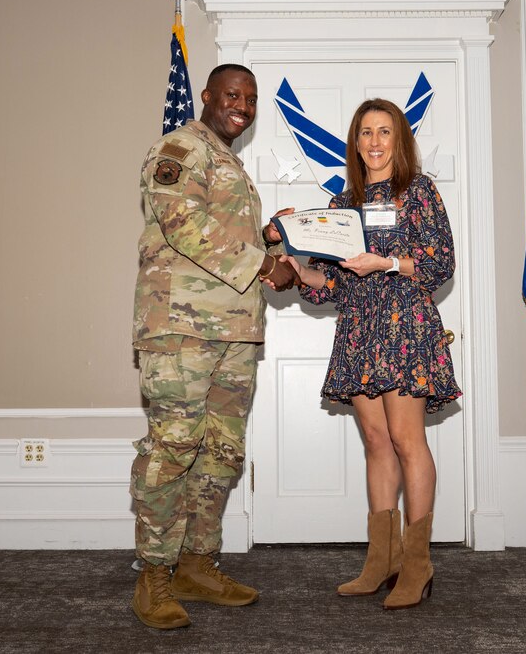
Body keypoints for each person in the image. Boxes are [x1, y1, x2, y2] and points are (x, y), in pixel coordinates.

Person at [130, 63, 297, 629]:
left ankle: (197, 566)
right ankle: (153, 577)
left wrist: (272, 234)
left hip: (233, 333)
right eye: (232, 95)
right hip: (181, 331)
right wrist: (266, 262)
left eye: (250, 99)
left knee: (221, 454)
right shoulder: (180, 147)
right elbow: (184, 226)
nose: (242, 106)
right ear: (206, 96)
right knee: (173, 449)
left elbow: (223, 231)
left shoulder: (229, 164)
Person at [279, 98, 461, 610]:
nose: (375, 142)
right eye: (365, 133)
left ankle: (418, 564)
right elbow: (330, 282)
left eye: (385, 132)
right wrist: (295, 267)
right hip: (359, 328)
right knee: (377, 443)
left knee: (407, 440)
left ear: (398, 141)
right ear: (354, 142)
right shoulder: (340, 206)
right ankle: (382, 560)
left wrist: (386, 261)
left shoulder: (419, 191)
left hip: (405, 327)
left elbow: (441, 261)